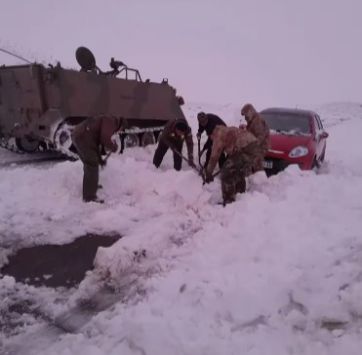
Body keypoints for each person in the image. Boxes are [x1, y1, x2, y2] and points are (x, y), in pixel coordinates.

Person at [71, 116, 125, 203]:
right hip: (83, 137)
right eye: (121, 129)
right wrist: (113, 146)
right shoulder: (111, 120)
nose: (119, 132)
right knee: (91, 164)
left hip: (80, 135)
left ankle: (91, 186)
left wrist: (100, 160)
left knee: (90, 163)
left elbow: (96, 147)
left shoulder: (108, 120)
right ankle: (89, 197)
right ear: (121, 125)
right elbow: (104, 137)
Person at [204, 125, 259, 205]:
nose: (212, 140)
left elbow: (214, 157)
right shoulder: (226, 130)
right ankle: (241, 196)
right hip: (253, 147)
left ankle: (228, 201)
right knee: (237, 171)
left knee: (226, 174)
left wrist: (208, 172)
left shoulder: (218, 135)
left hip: (246, 149)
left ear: (211, 135)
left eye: (211, 138)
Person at [241, 103, 270, 172]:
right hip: (256, 146)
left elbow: (260, 136)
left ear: (250, 112)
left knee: (257, 165)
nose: (245, 118)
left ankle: (259, 181)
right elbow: (253, 132)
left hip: (260, 147)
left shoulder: (258, 121)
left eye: (246, 115)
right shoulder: (253, 120)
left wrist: (251, 147)